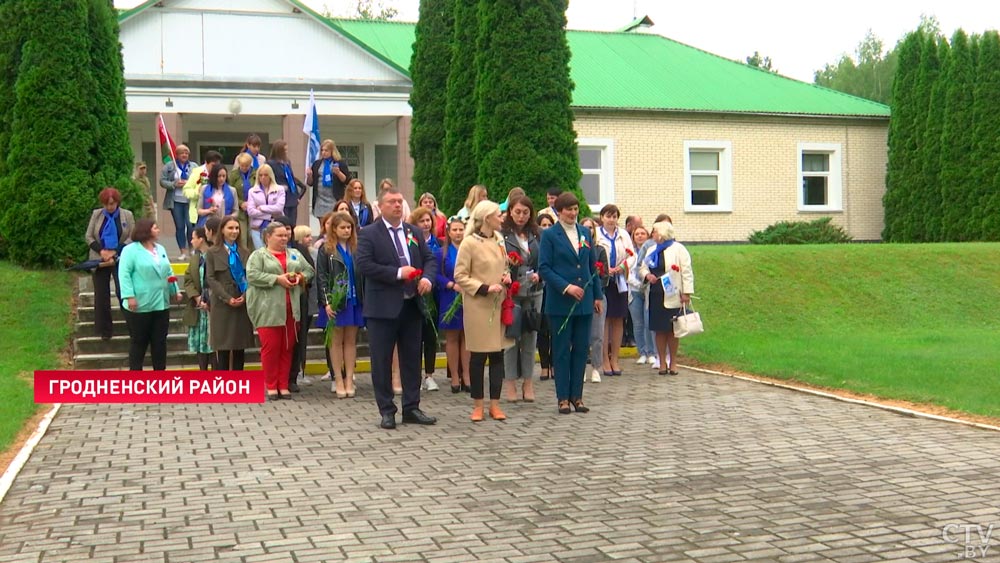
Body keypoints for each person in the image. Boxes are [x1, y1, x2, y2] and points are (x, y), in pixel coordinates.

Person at [356, 187, 438, 430]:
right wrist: (396, 273)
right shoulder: (369, 233)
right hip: (382, 308)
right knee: (381, 361)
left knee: (412, 358)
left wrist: (428, 279)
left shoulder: (413, 231)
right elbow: (363, 265)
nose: (397, 205)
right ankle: (387, 409)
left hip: (411, 304)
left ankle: (411, 406)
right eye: (392, 202)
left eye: (400, 201)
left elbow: (430, 259)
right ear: (380, 206)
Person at [538, 192, 603, 414]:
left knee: (581, 349)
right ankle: (562, 397)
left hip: (584, 301)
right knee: (562, 349)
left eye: (576, 209)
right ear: (558, 211)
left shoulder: (584, 232)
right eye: (569, 210)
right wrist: (566, 287)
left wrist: (597, 295)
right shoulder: (550, 235)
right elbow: (544, 268)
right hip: (561, 302)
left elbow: (592, 266)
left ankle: (578, 396)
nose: (573, 213)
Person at [454, 200, 512, 422]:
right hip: (479, 305)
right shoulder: (469, 243)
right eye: (499, 214)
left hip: (499, 304)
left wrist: (507, 275)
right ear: (487, 218)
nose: (502, 217)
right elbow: (460, 275)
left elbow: (504, 265)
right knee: (478, 356)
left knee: (497, 354)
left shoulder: (499, 239)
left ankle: (495, 405)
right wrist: (484, 288)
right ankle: (478, 405)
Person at [246, 222, 314, 400]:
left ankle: (283, 385)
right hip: (267, 309)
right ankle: (270, 385)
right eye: (280, 235)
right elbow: (252, 275)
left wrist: (300, 277)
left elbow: (309, 270)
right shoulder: (258, 255)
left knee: (287, 347)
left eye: (286, 235)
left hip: (292, 309)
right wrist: (277, 279)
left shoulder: (294, 254)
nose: (284, 238)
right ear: (268, 237)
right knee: (271, 348)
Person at [117, 218, 182, 370]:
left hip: (161, 303)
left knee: (159, 342)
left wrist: (175, 290)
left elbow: (168, 271)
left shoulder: (160, 249)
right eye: (155, 228)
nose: (158, 230)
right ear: (145, 230)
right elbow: (124, 274)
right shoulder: (130, 250)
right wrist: (129, 296)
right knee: (139, 342)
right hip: (139, 304)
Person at [317, 211, 366, 398]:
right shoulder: (326, 250)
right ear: (334, 229)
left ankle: (349, 379)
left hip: (354, 300)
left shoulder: (356, 248)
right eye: (342, 227)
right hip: (336, 301)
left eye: (349, 227)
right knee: (336, 341)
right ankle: (338, 379)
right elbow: (321, 277)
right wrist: (327, 302)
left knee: (351, 340)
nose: (346, 231)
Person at [639, 221, 694, 376]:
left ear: (662, 234)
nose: (652, 235)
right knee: (659, 330)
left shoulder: (678, 249)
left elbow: (687, 272)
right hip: (656, 293)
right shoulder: (651, 249)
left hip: (673, 294)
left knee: (672, 330)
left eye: (655, 232)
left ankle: (673, 362)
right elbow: (642, 267)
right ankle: (661, 361)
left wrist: (687, 292)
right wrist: (647, 275)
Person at [501, 196, 541, 403]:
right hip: (512, 291)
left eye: (525, 212)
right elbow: (497, 260)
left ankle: (528, 382)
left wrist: (539, 275)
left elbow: (545, 261)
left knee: (529, 337)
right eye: (517, 212)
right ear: (510, 212)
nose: (521, 216)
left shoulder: (537, 234)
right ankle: (510, 383)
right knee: (511, 338)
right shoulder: (503, 234)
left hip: (534, 291)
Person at [205, 215, 255, 370]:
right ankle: (224, 385)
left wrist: (245, 296)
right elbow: (211, 278)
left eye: (237, 228)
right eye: (230, 228)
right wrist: (227, 298)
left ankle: (238, 384)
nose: (234, 231)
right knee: (224, 347)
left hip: (242, 301)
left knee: (240, 346)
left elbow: (251, 277)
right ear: (222, 230)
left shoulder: (245, 252)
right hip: (222, 304)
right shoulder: (213, 252)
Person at [85, 188, 135, 340]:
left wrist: (115, 251)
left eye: (112, 204)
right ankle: (105, 330)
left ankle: (132, 326)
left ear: (118, 202)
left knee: (123, 292)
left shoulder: (127, 215)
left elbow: (132, 236)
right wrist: (102, 252)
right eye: (106, 204)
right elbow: (88, 236)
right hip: (100, 258)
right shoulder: (97, 214)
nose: (109, 207)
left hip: (120, 257)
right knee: (101, 295)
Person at [595, 204, 635, 377]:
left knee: (618, 319)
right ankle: (604, 359)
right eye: (608, 216)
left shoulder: (623, 234)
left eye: (614, 216)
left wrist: (622, 267)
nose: (611, 220)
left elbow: (632, 255)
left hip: (619, 281)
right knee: (604, 320)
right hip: (603, 280)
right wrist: (605, 268)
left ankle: (615, 359)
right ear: (602, 217)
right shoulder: (596, 234)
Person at [436, 216, 470, 393]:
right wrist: (450, 284)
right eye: (455, 230)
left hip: (469, 295)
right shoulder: (441, 252)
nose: (458, 233)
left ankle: (467, 375)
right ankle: (454, 376)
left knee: (467, 336)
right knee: (452, 337)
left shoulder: (470, 249)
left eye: (461, 229)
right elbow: (436, 275)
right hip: (450, 296)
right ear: (449, 232)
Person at [409, 207, 441, 391]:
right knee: (415, 337)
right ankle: (415, 375)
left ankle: (429, 374)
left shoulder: (438, 243)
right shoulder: (410, 242)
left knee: (430, 335)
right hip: (414, 294)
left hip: (433, 295)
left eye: (428, 220)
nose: (426, 224)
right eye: (422, 221)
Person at [289, 225, 318, 392]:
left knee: (300, 339)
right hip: (279, 302)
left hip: (301, 299)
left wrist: (300, 277)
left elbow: (310, 272)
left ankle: (295, 374)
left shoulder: (300, 251)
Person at [581, 217, 609, 384]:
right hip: (580, 295)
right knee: (581, 335)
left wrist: (595, 287)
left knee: (597, 334)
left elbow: (604, 275)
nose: (588, 230)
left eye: (590, 227)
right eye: (584, 227)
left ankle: (596, 367)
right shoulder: (577, 249)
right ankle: (581, 367)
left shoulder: (599, 250)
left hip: (597, 295)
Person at [183, 227, 214, 370]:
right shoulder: (196, 258)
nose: (191, 241)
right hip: (199, 307)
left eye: (193, 237)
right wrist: (196, 297)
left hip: (213, 307)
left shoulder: (214, 255)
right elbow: (188, 279)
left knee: (213, 343)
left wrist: (210, 300)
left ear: (201, 239)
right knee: (200, 344)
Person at [160, 144, 196, 260]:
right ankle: (183, 251)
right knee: (180, 226)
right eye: (182, 153)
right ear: (177, 154)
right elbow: (162, 181)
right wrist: (174, 184)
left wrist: (190, 183)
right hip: (175, 201)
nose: (184, 155)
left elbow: (202, 179)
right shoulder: (169, 166)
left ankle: (192, 248)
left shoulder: (194, 166)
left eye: (186, 153)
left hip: (190, 200)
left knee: (190, 226)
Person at [628, 226, 656, 365]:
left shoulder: (651, 251)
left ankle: (651, 352)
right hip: (634, 290)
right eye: (636, 234)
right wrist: (637, 284)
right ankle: (642, 352)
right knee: (638, 323)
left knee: (648, 321)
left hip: (649, 289)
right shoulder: (630, 252)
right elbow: (627, 272)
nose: (639, 236)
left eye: (642, 233)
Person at [535, 213, 555, 380]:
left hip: (554, 290)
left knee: (554, 329)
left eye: (549, 225)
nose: (546, 228)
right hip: (540, 288)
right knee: (542, 329)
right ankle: (544, 365)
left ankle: (554, 364)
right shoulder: (535, 244)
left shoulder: (555, 243)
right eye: (543, 225)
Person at [246, 164, 286, 249]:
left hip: (275, 226)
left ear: (270, 176)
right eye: (260, 175)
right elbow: (251, 211)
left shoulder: (279, 189)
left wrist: (261, 208)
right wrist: (270, 215)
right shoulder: (252, 191)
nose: (263, 177)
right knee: (261, 252)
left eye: (266, 175)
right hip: (257, 228)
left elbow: (279, 208)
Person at [269, 140, 307, 226]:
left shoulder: (287, 162)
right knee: (283, 223)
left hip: (292, 196)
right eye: (284, 150)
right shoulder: (271, 164)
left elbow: (291, 178)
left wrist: (298, 196)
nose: (286, 152)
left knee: (292, 224)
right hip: (281, 197)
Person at [310, 139, 351, 218]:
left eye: (326, 150)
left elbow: (347, 181)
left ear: (332, 151)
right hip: (320, 200)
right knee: (323, 225)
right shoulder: (317, 164)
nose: (323, 152)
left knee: (334, 223)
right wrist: (309, 176)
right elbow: (310, 183)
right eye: (322, 150)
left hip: (334, 199)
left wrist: (338, 173)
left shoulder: (339, 163)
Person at [182, 150, 223, 228]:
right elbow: (186, 190)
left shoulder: (220, 173)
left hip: (215, 211)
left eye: (217, 166)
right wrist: (198, 193)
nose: (215, 168)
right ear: (206, 163)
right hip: (198, 211)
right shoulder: (197, 172)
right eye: (213, 166)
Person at [230, 152, 257, 248]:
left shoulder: (256, 173)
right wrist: (241, 203)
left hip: (254, 209)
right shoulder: (233, 175)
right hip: (240, 210)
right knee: (242, 236)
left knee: (252, 236)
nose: (244, 168)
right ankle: (243, 258)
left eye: (247, 166)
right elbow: (231, 192)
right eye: (242, 166)